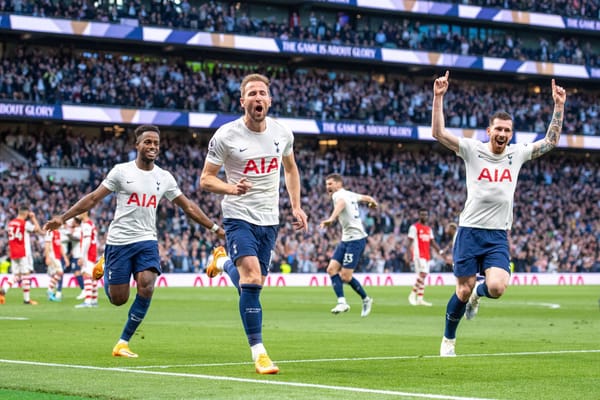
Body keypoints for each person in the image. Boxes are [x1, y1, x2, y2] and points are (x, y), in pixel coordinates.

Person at [44, 124, 225, 358]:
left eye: (156, 143)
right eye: (148, 142)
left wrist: (215, 228)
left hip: (147, 240)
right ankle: (106, 266)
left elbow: (188, 206)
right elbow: (93, 198)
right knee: (119, 299)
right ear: (137, 145)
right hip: (119, 241)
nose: (152, 147)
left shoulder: (164, 177)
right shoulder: (121, 172)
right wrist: (63, 217)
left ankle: (123, 342)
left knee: (147, 284)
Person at [431, 71, 566, 356]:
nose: (503, 134)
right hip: (469, 230)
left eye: (507, 130)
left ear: (511, 134)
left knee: (496, 288)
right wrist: (438, 98)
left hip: (497, 235)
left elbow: (550, 142)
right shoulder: (472, 149)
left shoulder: (516, 154)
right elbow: (438, 134)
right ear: (489, 131)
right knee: (462, 291)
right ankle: (448, 340)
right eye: (498, 129)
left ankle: (478, 296)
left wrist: (559, 106)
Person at [200, 73, 308, 375]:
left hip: (269, 219)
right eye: (252, 94)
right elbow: (206, 179)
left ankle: (221, 263)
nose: (258, 98)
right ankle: (259, 352)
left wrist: (296, 206)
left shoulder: (283, 133)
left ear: (269, 100)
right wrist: (230, 188)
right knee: (250, 276)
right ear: (242, 101)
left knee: (254, 284)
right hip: (238, 216)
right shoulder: (226, 136)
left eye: (262, 93)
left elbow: (291, 169)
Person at [319, 173, 375, 317]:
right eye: (326, 184)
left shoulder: (338, 195)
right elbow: (367, 198)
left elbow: (341, 204)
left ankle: (366, 299)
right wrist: (372, 203)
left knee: (346, 276)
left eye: (330, 184)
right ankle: (342, 302)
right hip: (346, 239)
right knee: (331, 269)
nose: (328, 187)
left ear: (338, 184)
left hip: (356, 240)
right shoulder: (350, 194)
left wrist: (331, 218)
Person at [1, 203, 42, 305]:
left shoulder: (10, 223)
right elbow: (38, 229)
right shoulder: (24, 223)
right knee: (26, 274)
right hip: (23, 251)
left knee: (17, 275)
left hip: (13, 252)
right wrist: (33, 218)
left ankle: (4, 290)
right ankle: (26, 300)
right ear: (26, 213)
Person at [406, 208, 441, 307]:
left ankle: (420, 299)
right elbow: (408, 242)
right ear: (418, 215)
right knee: (423, 273)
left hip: (426, 256)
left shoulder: (429, 229)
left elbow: (432, 242)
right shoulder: (414, 227)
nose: (424, 216)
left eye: (425, 215)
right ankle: (412, 295)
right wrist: (408, 254)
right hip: (418, 254)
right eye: (422, 214)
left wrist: (440, 251)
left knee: (422, 277)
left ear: (428, 216)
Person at [74, 212, 100, 308]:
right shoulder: (91, 224)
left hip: (88, 253)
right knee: (92, 277)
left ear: (85, 213)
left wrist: (82, 256)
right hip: (93, 253)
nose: (78, 214)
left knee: (86, 275)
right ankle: (94, 300)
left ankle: (88, 301)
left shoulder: (86, 225)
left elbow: (86, 241)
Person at [44, 223, 68, 302]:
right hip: (52, 256)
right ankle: (50, 291)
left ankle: (50, 291)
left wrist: (65, 257)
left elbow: (59, 245)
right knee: (60, 272)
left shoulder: (57, 233)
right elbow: (47, 245)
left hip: (57, 256)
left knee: (57, 274)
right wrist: (47, 257)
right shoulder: (50, 232)